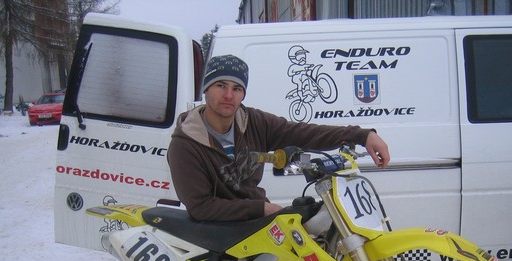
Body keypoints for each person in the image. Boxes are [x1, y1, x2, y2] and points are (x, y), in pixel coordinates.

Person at [167, 54, 390, 222]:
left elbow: (303, 133)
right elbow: (201, 207)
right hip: (217, 231)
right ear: (206, 89)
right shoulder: (185, 144)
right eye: (220, 85)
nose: (228, 95)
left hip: (256, 223)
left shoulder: (254, 122)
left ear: (243, 94)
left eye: (237, 88)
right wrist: (261, 208)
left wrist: (361, 135)